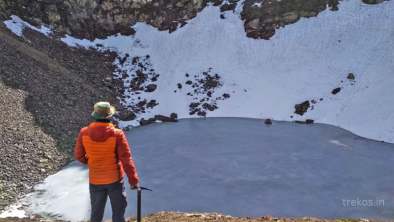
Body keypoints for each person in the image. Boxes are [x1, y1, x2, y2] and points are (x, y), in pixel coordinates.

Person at [74, 101, 140, 222]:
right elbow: (126, 159)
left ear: (94, 115)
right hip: (114, 180)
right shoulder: (117, 134)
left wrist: (91, 162)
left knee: (96, 214)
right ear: (109, 116)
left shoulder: (84, 132)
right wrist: (133, 180)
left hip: (95, 180)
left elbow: (78, 155)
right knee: (118, 213)